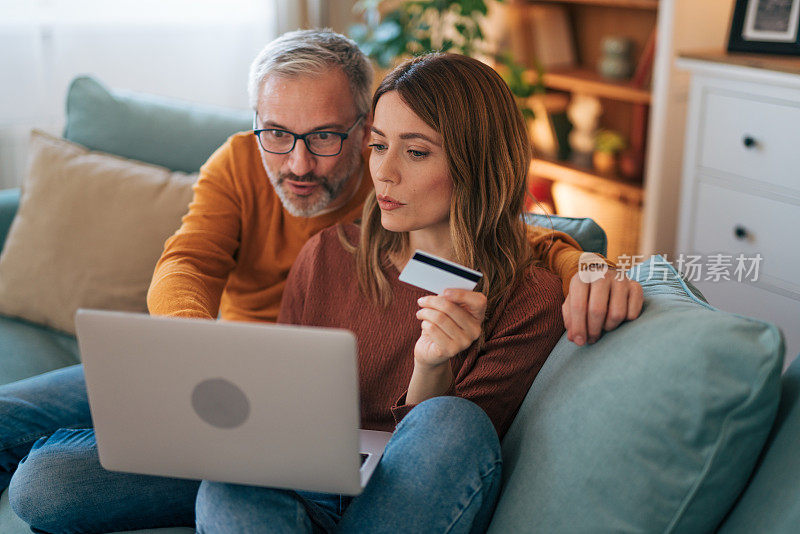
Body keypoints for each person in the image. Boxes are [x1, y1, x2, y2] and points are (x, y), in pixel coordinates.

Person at [1, 30, 642, 531]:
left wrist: (588, 264)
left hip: (386, 459)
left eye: (328, 138)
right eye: (277, 135)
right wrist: (189, 358)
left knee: (450, 422)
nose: (299, 162)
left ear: (356, 127)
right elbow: (187, 264)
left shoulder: (406, 206)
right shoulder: (319, 237)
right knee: (50, 478)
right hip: (242, 384)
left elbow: (518, 237)